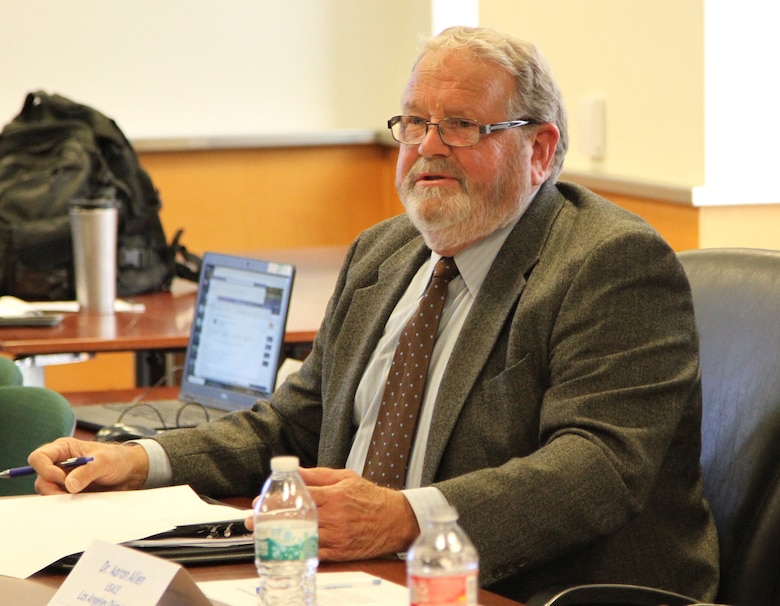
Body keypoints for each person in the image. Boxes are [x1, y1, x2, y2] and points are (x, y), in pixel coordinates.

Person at [29, 26, 719, 603]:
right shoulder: (384, 252)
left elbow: (596, 467)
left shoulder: (609, 262)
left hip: (521, 588)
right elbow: (291, 420)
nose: (427, 146)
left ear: (538, 149)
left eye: (461, 125)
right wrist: (139, 460)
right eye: (414, 122)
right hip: (351, 578)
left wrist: (405, 519)